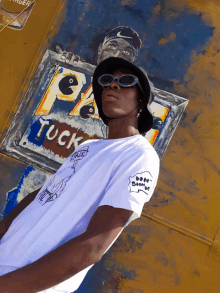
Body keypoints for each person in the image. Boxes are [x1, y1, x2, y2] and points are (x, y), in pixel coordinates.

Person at [0, 57, 160, 293]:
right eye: (107, 81)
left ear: (141, 101)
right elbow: (45, 194)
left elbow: (93, 246)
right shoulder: (88, 147)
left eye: (126, 81)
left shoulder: (139, 155)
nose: (112, 86)